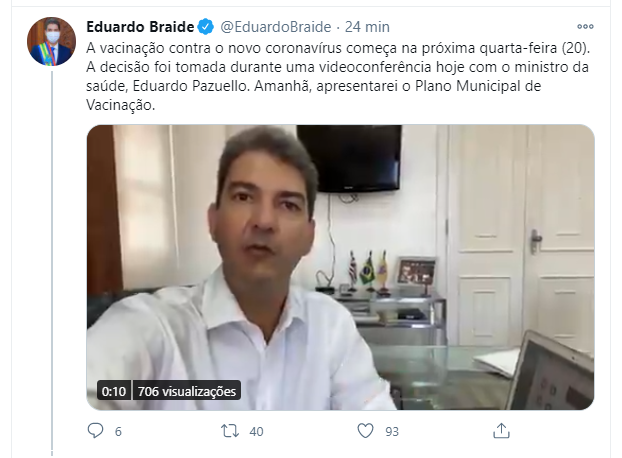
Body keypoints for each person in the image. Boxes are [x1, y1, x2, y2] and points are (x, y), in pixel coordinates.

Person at [86, 126, 396, 411]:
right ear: (213, 221)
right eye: (244, 196)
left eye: (288, 204)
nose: (264, 221)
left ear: (309, 236)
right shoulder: (150, 327)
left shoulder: (331, 327)